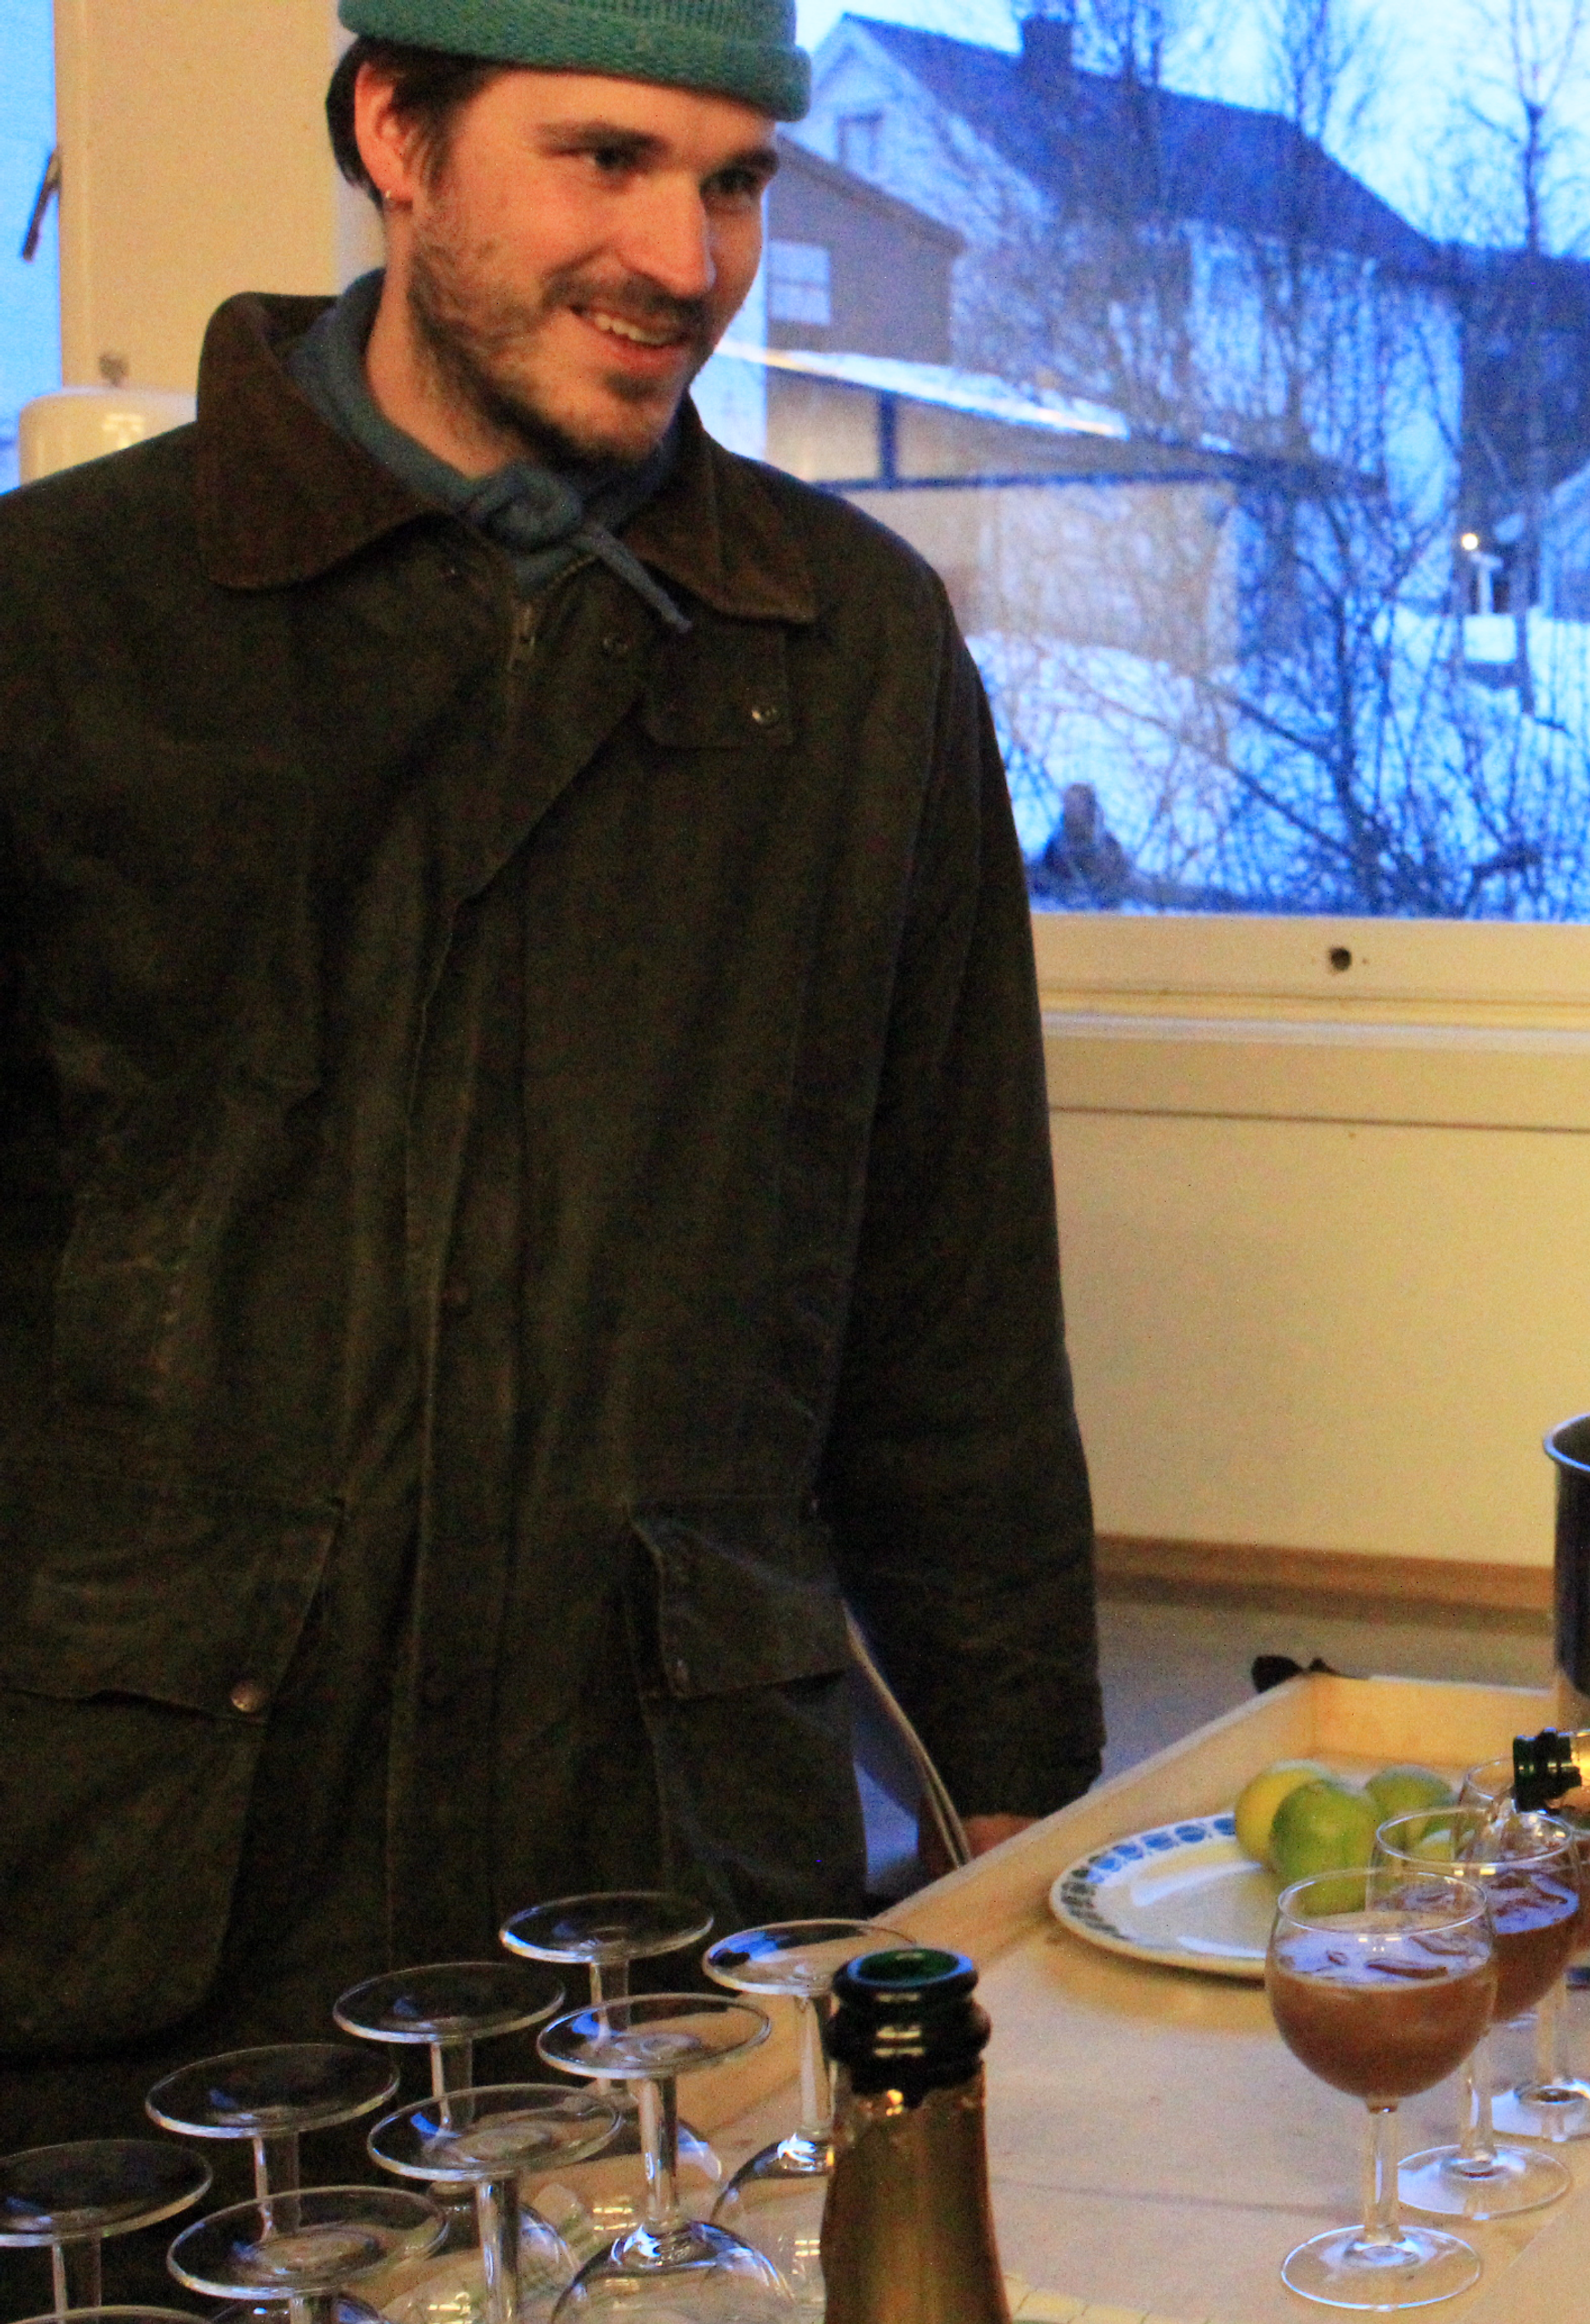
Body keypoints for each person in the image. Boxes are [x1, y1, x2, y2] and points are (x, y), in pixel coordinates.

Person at [0, 0, 1102, 2171]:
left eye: (735, 180)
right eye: (604, 160)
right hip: (126, 1926)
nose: (683, 257)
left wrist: (1022, 1843)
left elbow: (953, 1316)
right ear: (395, 135)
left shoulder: (854, 654)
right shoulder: (57, 630)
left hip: (664, 1920)